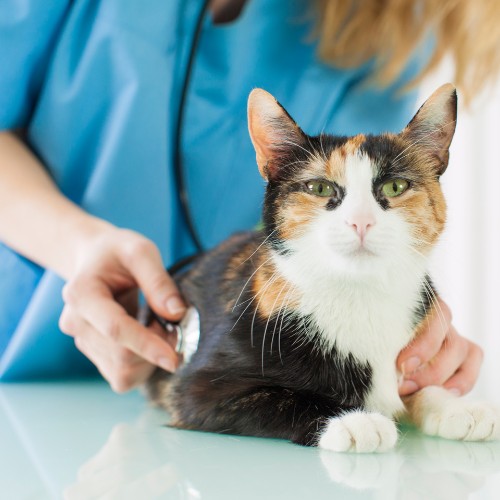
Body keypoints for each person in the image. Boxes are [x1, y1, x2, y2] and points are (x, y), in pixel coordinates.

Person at [0, 0, 495, 395]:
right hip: (27, 368)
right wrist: (80, 246)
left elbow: (357, 227)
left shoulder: (386, 19)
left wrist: (402, 314)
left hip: (252, 378)